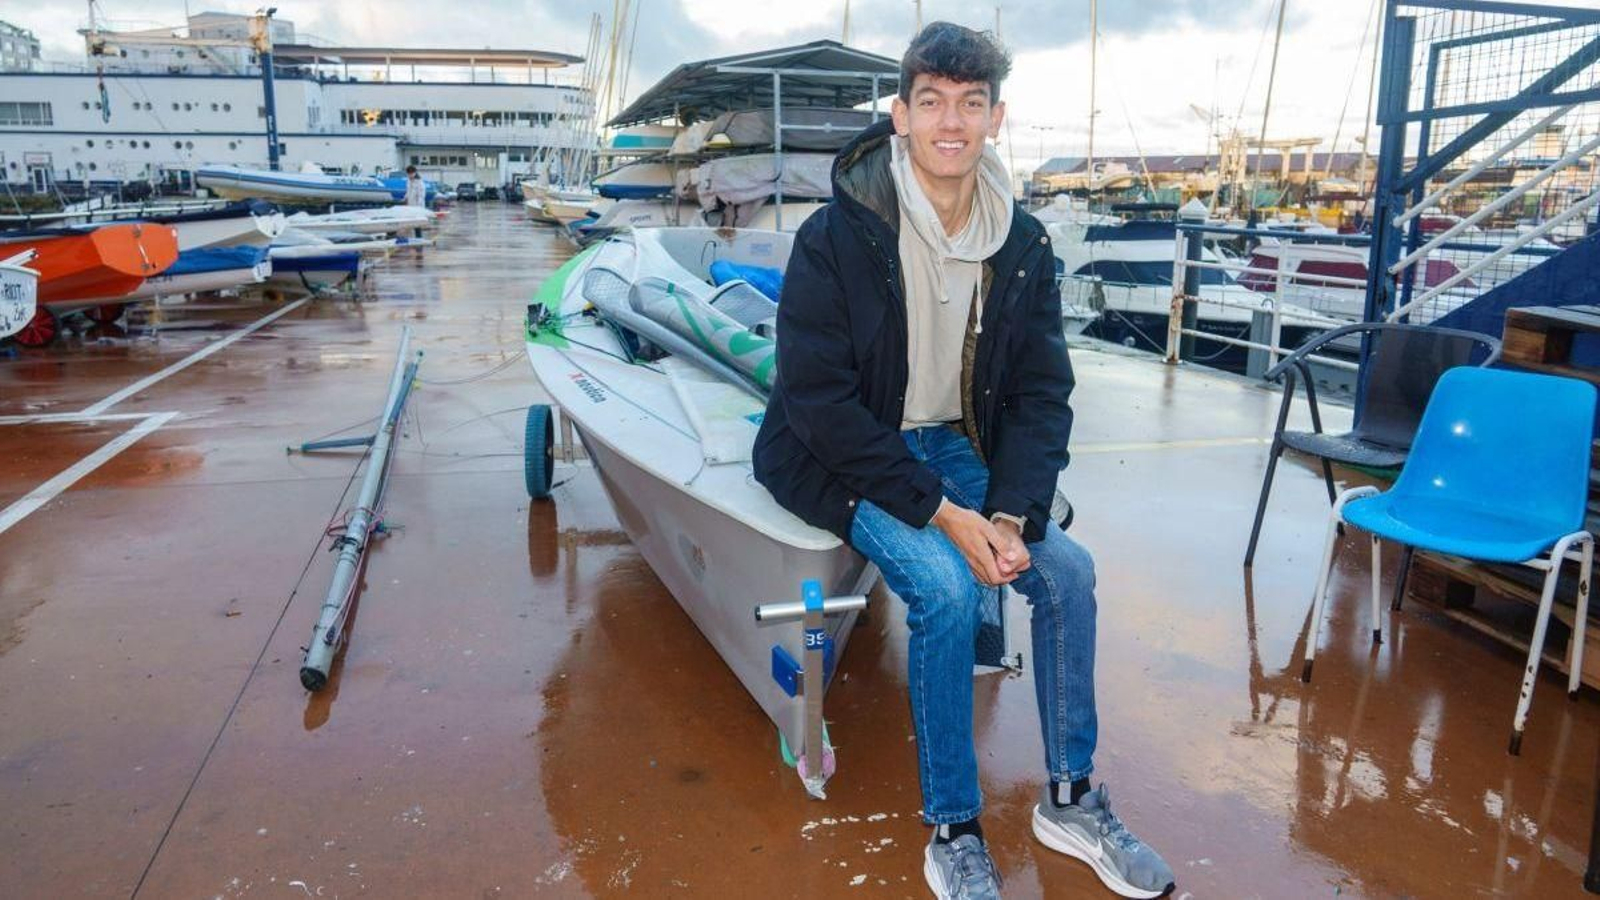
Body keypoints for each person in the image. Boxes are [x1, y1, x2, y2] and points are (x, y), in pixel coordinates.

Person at [752, 22, 1175, 900]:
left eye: (971, 104)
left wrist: (1013, 513)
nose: (953, 122)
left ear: (996, 118)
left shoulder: (1021, 245)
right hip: (847, 452)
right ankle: (952, 825)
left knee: (1066, 574)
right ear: (901, 115)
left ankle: (1069, 798)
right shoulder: (838, 235)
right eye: (933, 101)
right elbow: (817, 402)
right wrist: (944, 514)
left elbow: (1039, 394)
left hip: (957, 442)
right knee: (945, 590)